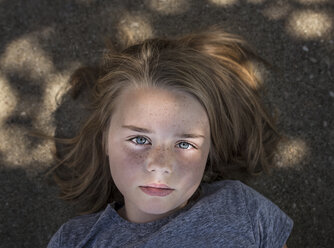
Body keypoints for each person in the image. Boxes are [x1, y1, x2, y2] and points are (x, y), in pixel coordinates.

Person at [47, 27, 293, 248]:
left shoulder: (241, 208)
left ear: (209, 150)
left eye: (184, 144)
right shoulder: (73, 240)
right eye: (140, 139)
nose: (160, 165)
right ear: (105, 140)